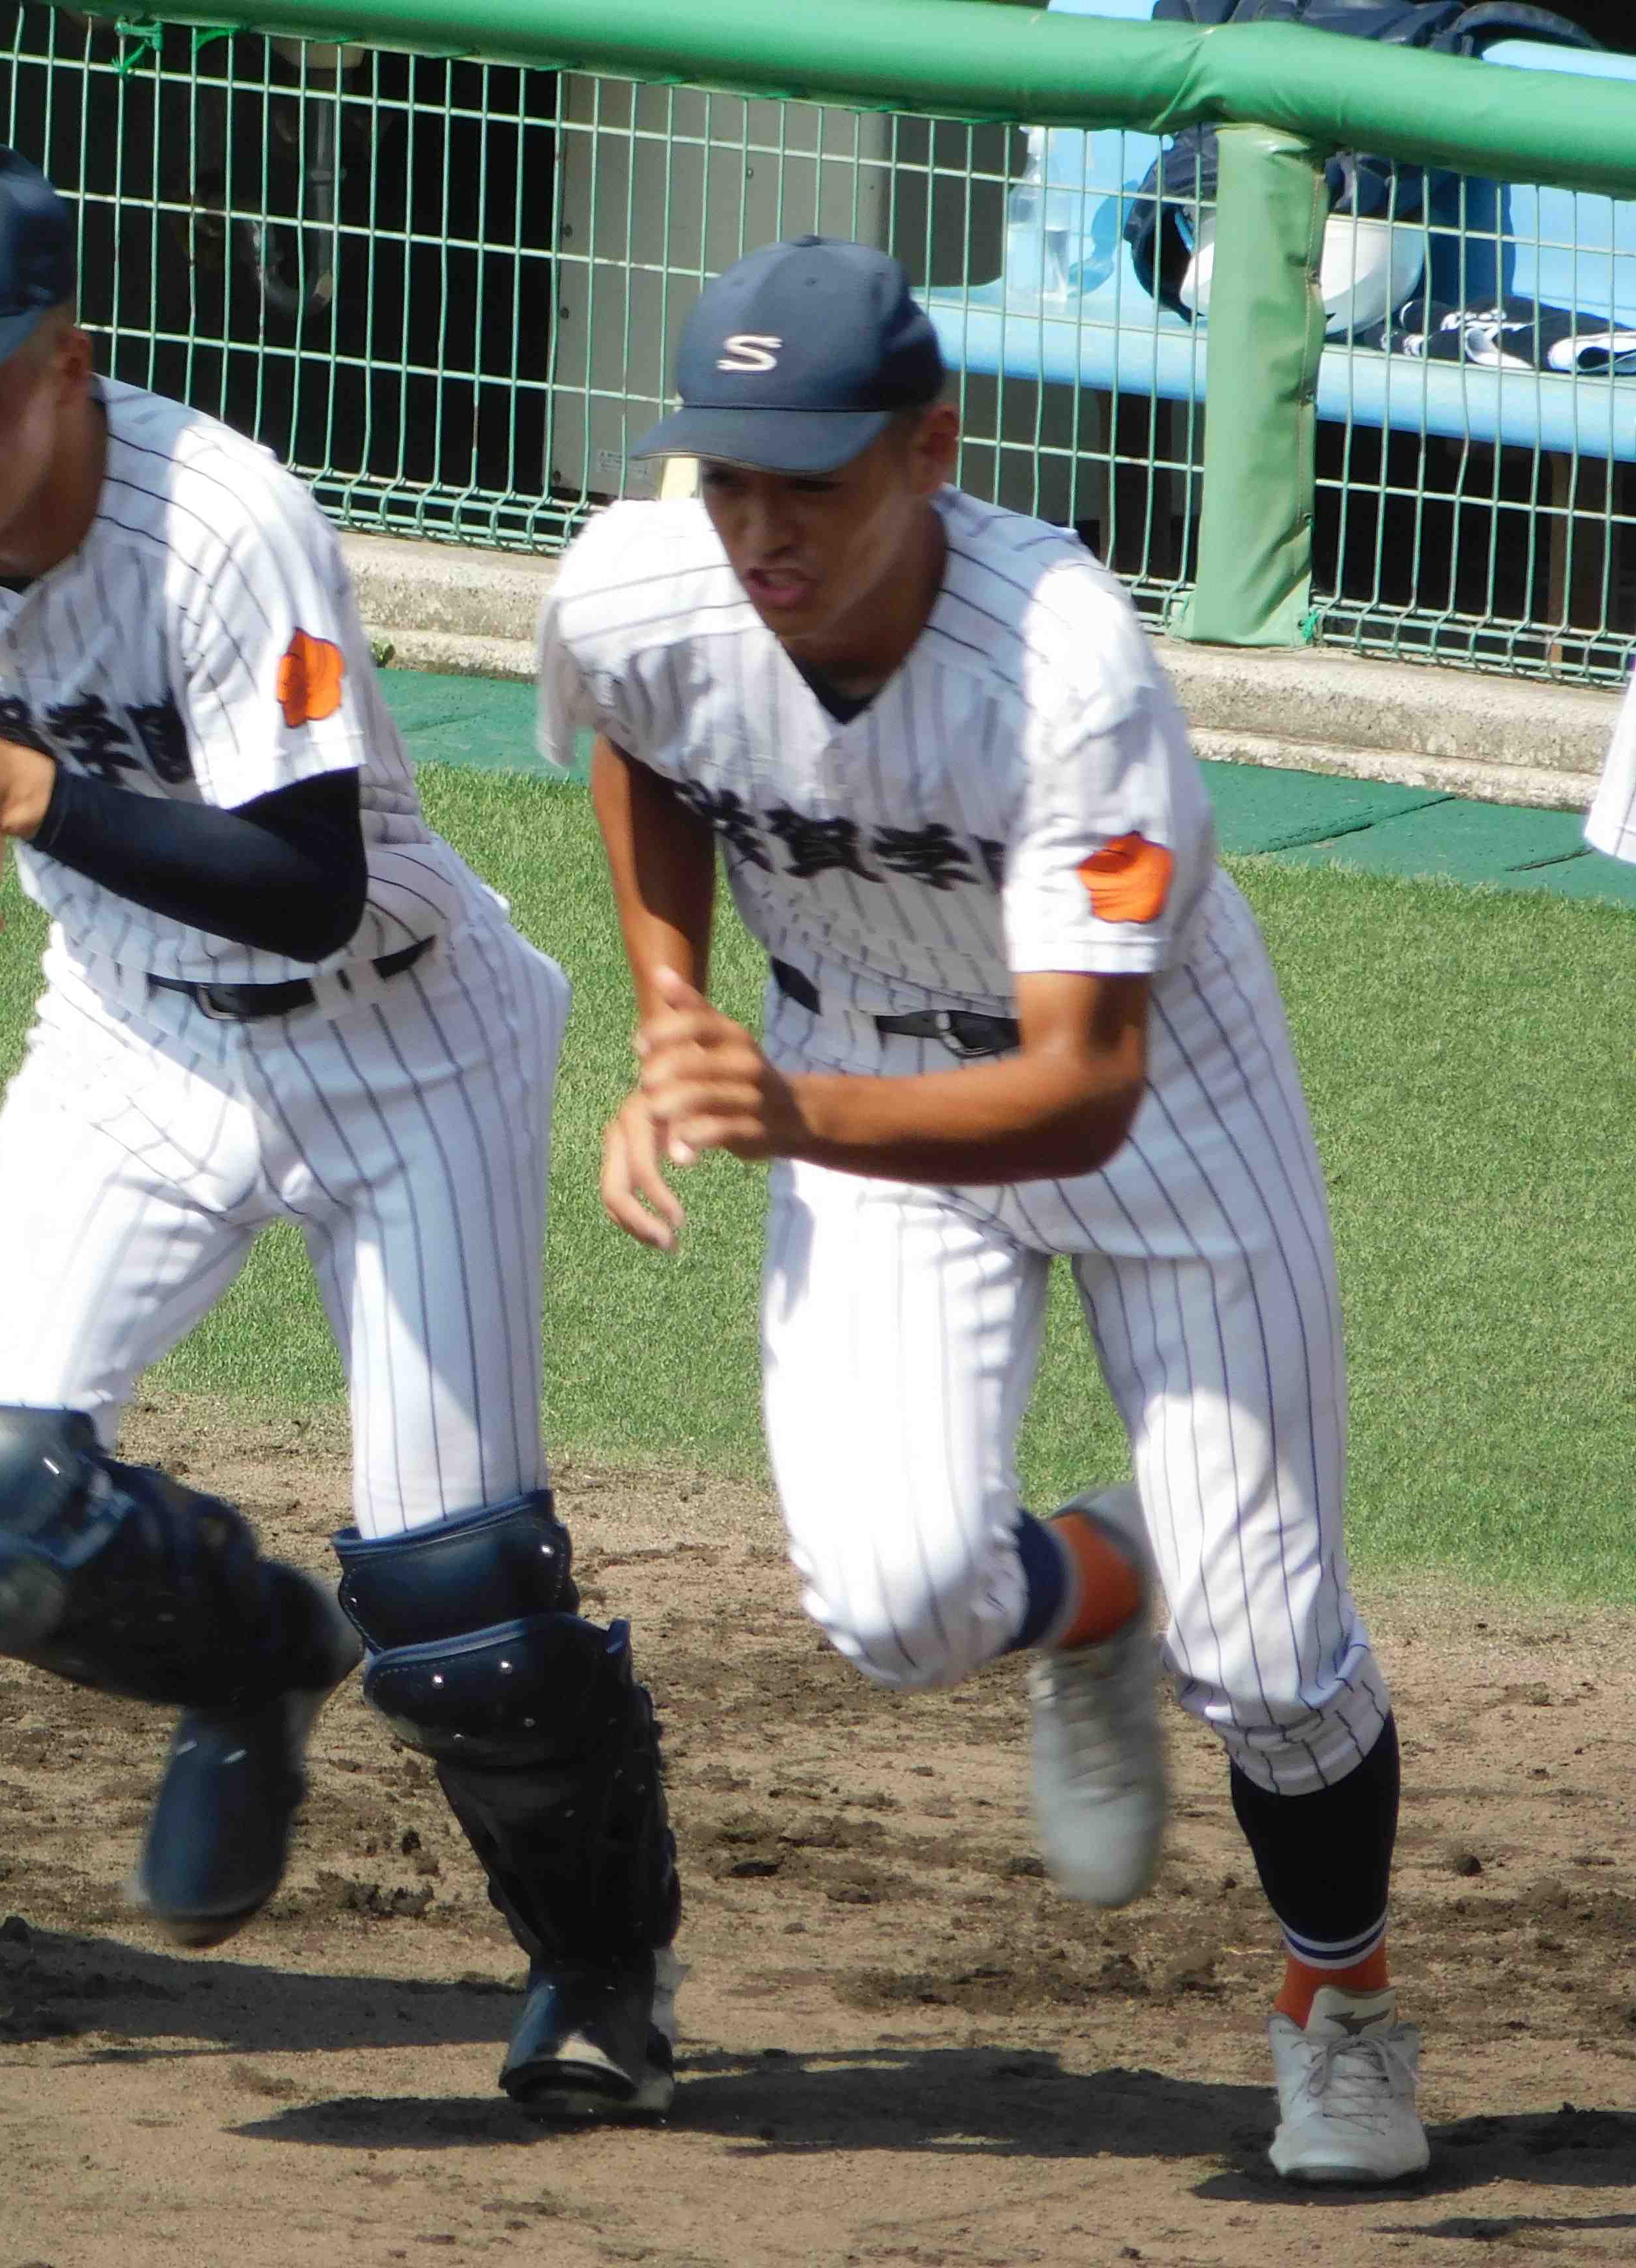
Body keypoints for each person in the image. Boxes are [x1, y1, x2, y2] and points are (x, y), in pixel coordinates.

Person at [0, 132, 682, 2118]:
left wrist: (12, 795)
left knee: (460, 1607)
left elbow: (305, 884)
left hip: (405, 1042)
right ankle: (248, 1664)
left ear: (69, 357)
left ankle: (603, 1978)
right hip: (127, 1032)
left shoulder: (226, 529)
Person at [545, 235, 1422, 2183]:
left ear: (933, 449)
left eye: (816, 480)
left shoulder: (1065, 660)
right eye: (730, 476)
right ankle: (1107, 1583)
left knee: (1276, 1659)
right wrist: (673, 1005)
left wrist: (783, 1108)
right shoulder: (639, 586)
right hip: (845, 1058)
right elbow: (643, 740)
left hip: (1152, 1102)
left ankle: (1339, 2004)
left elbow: (1082, 1086)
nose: (760, 529)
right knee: (895, 1604)